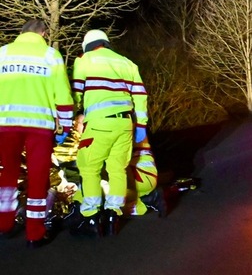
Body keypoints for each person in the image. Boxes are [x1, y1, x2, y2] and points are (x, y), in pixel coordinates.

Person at [0, 19, 74, 248]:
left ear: (21, 33)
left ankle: (3, 225)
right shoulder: (51, 56)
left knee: (8, 175)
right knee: (38, 178)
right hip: (39, 127)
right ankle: (34, 233)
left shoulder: (3, 53)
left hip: (6, 124)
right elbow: (62, 94)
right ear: (43, 33)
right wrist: (66, 125)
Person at [70, 30, 149, 237]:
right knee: (117, 170)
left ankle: (92, 216)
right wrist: (140, 125)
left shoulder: (84, 60)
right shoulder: (127, 63)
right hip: (125, 124)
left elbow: (77, 92)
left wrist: (76, 113)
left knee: (89, 169)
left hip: (98, 124)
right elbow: (140, 96)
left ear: (87, 45)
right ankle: (114, 214)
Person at [123, 135, 167, 217]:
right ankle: (147, 200)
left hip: (141, 177)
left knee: (100, 182)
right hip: (144, 177)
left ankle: (149, 198)